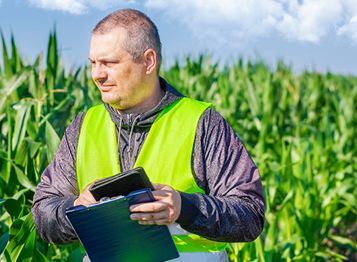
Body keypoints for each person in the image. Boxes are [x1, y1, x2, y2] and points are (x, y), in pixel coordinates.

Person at [32, 8, 265, 262]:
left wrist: (184, 207)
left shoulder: (202, 123)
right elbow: (43, 211)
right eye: (93, 63)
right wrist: (75, 208)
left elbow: (250, 214)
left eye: (109, 63)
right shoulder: (83, 126)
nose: (97, 74)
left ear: (148, 61)